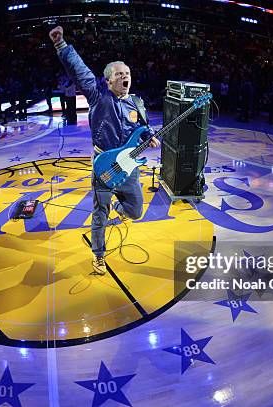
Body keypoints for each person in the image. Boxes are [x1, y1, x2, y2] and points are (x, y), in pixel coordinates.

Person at [50, 26, 160, 275]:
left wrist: (149, 136)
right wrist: (61, 46)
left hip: (129, 167)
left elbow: (143, 128)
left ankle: (121, 209)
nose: (125, 76)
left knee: (135, 211)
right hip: (105, 167)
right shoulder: (99, 97)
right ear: (109, 80)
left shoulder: (137, 103)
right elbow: (81, 72)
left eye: (128, 73)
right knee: (100, 212)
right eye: (119, 73)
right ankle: (98, 256)